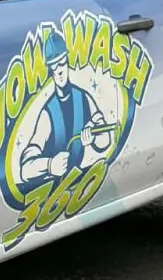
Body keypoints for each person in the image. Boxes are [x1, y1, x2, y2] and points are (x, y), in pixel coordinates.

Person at [19, 29, 113, 185]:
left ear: (67, 62)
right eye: (54, 67)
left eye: (62, 63)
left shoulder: (84, 98)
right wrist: (49, 165)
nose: (59, 71)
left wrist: (94, 137)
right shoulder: (48, 114)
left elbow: (106, 140)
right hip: (52, 189)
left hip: (80, 182)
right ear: (50, 70)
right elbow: (25, 169)